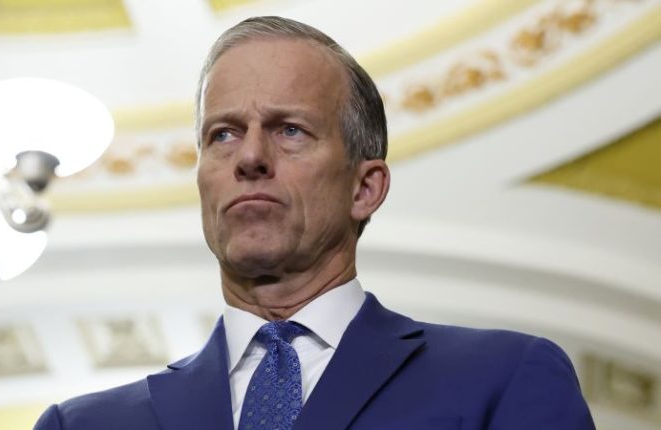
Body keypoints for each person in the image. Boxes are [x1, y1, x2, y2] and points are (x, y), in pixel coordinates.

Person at [34, 16, 595, 430]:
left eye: (290, 130)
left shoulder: (501, 378)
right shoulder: (81, 426)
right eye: (223, 134)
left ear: (364, 188)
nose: (249, 157)